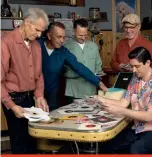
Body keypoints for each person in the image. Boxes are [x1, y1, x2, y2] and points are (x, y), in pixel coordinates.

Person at [94, 47, 152, 154]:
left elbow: (148, 116)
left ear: (148, 63)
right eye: (132, 66)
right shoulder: (135, 79)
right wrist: (99, 99)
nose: (134, 70)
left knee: (134, 150)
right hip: (138, 127)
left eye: (137, 66)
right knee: (108, 147)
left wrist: (122, 111)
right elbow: (123, 102)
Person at [1, 8, 49, 154]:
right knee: (19, 144)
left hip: (29, 99)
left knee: (31, 142)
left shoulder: (36, 44)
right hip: (13, 99)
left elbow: (39, 74)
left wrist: (39, 96)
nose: (39, 35)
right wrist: (12, 106)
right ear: (27, 22)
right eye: (37, 30)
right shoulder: (6, 42)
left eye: (42, 31)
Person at [38, 22, 107, 111]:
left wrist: (98, 82)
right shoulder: (37, 46)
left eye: (64, 37)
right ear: (49, 35)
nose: (62, 41)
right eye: (59, 37)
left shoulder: (63, 52)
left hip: (53, 94)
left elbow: (79, 67)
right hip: (34, 93)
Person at [64, 18, 103, 104]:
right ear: (74, 31)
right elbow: (63, 69)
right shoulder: (66, 47)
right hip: (73, 90)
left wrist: (98, 74)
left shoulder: (93, 46)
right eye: (80, 35)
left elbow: (98, 65)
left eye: (85, 35)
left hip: (90, 90)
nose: (83, 38)